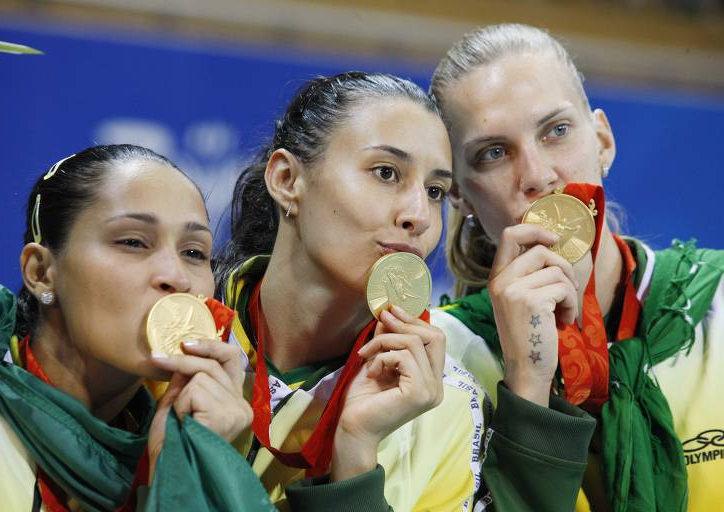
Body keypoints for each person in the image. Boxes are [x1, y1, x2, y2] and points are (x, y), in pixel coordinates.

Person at [213, 70, 596, 511]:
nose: (419, 215)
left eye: (435, 191)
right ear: (286, 179)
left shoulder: (444, 406)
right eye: (386, 172)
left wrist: (355, 454)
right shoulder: (180, 346)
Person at [430, 23, 724, 512]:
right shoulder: (440, 364)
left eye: (556, 131)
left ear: (603, 140)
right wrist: (528, 384)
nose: (539, 176)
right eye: (494, 153)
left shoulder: (717, 302)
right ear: (458, 193)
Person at [0, 144, 272, 511]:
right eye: (133, 242)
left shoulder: (210, 433)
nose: (176, 277)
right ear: (41, 273)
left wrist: (199, 469)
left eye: (193, 252)